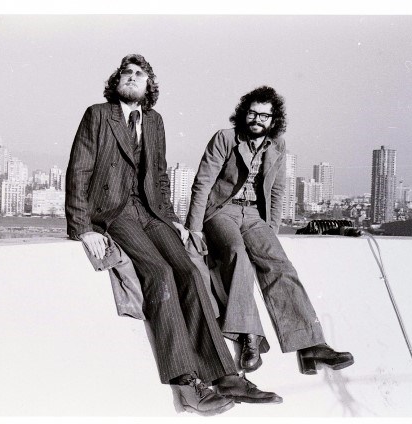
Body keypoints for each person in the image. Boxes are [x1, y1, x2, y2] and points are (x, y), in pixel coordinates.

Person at [65, 55, 281, 415]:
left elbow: (160, 176)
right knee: (159, 274)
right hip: (114, 212)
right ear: (116, 81)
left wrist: (172, 220)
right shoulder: (98, 115)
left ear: (149, 87)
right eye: (127, 73)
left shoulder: (154, 121)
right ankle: (187, 384)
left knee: (190, 273)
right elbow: (79, 170)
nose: (132, 78)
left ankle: (226, 375)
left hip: (151, 213)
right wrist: (83, 227)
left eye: (140, 74)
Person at [185, 86, 354, 375]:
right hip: (222, 211)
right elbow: (202, 183)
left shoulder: (277, 146)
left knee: (280, 264)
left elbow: (277, 189)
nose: (258, 119)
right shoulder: (225, 138)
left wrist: (270, 230)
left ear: (273, 120)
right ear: (243, 113)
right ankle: (249, 338)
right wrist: (194, 229)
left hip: (254, 215)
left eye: (265, 115)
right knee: (237, 254)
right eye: (253, 113)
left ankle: (311, 346)